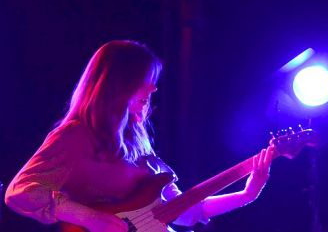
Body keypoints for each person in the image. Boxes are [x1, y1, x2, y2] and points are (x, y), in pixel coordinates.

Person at [5, 40, 272, 232]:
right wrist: (90, 218)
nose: (153, 88)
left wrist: (248, 193)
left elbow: (188, 213)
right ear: (119, 84)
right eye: (147, 79)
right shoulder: (76, 136)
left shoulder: (140, 144)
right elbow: (20, 192)